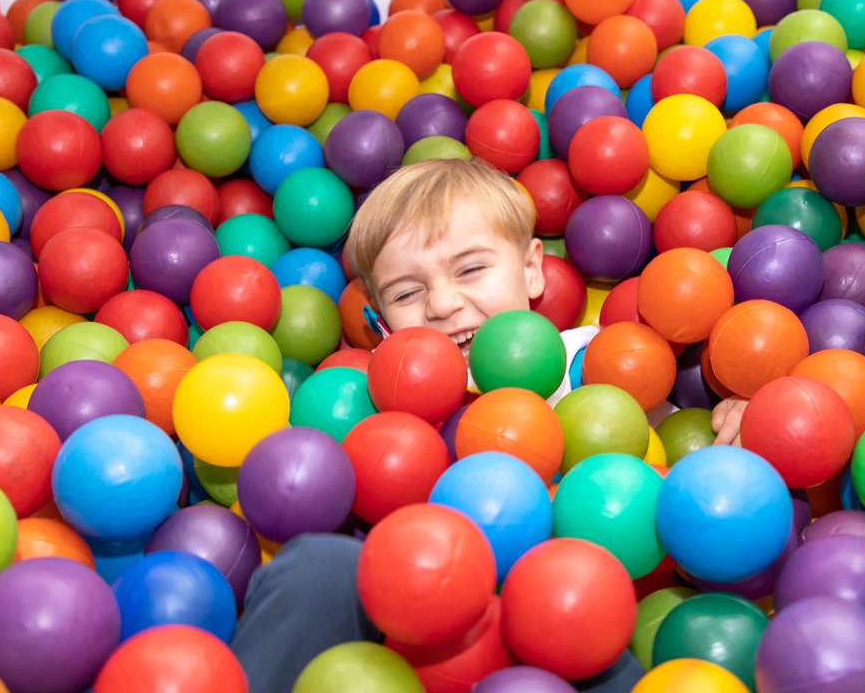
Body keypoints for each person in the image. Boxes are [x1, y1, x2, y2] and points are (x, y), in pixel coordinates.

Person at [232, 158, 645, 692]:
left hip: (560, 604)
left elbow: (671, 444)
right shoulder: (377, 411)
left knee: (591, 620)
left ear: (532, 269)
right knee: (317, 565)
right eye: (407, 293)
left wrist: (739, 412)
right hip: (409, 610)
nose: (445, 305)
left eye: (471, 269)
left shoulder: (589, 361)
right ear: (380, 329)